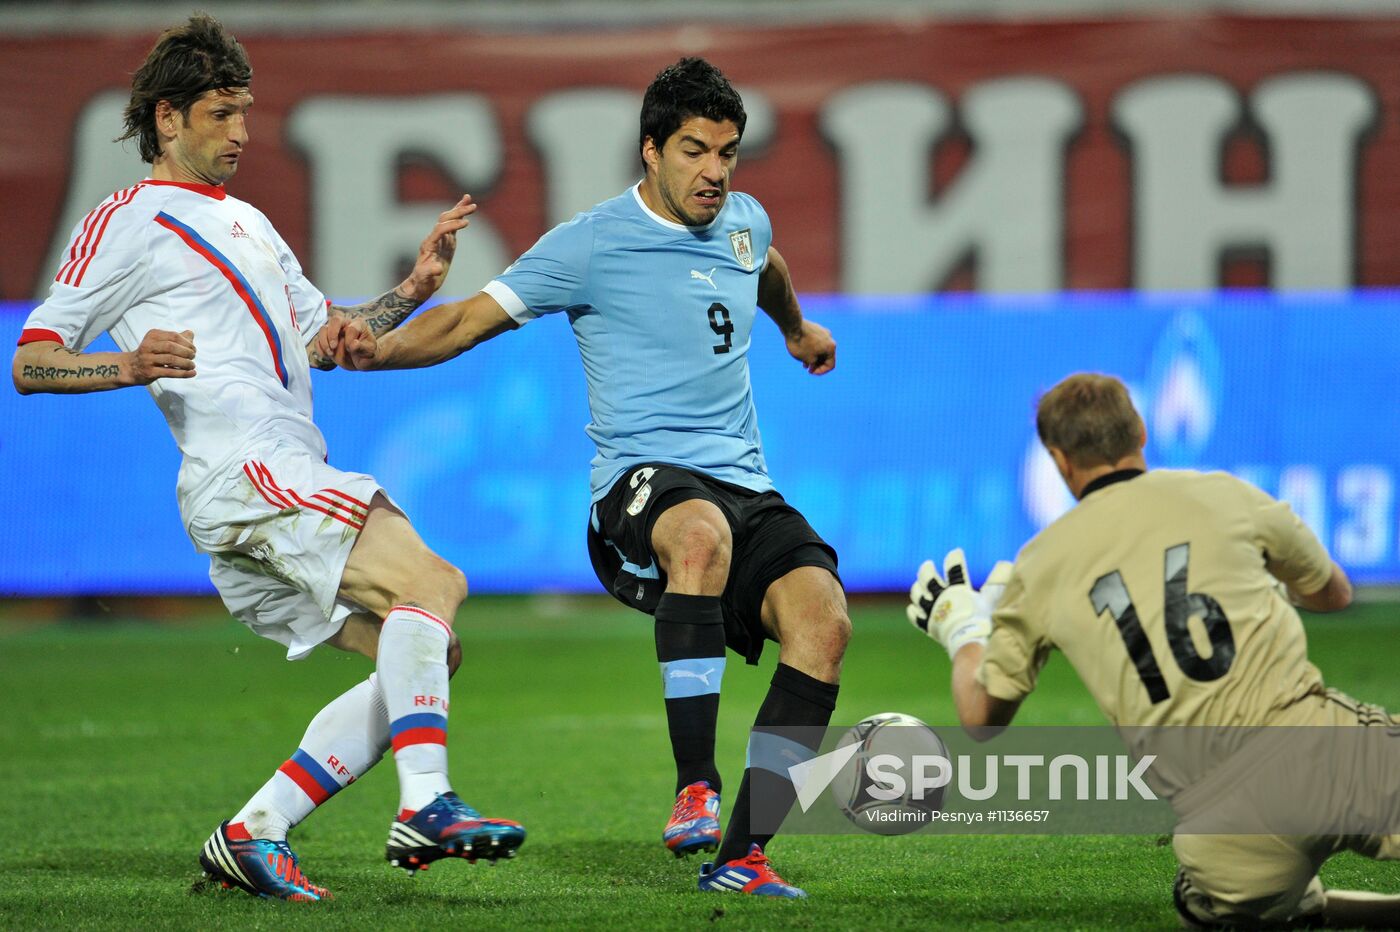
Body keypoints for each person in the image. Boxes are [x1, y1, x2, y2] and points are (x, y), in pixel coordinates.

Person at [11, 14, 524, 902]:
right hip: (247, 471)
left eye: (245, 112)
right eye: (220, 113)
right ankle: (427, 803)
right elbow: (31, 359)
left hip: (272, 475)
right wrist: (126, 365)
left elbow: (329, 338)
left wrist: (409, 291)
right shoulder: (126, 220)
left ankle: (257, 831)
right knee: (433, 585)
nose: (241, 131)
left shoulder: (248, 222)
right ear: (166, 118)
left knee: (430, 653)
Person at [316, 57, 850, 898]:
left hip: (744, 480)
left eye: (728, 153)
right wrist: (375, 350)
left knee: (825, 623)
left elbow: (767, 264)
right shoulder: (592, 241)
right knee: (700, 536)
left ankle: (742, 855)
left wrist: (797, 328)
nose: (714, 172)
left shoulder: (742, 222)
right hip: (639, 484)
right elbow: (466, 320)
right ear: (650, 150)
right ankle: (695, 788)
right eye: (694, 150)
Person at [907, 372, 1400, 928]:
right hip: (1321, 748)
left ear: (1059, 458)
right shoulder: (1224, 494)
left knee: (1205, 902)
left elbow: (980, 718)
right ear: (1141, 431)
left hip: (1223, 824)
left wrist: (963, 629)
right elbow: (1333, 594)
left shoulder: (1040, 565)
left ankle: (1283, 905)